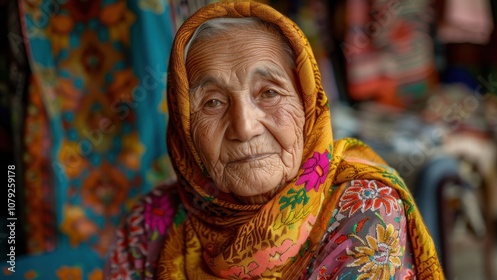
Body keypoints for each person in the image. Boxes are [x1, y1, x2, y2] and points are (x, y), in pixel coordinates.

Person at [105, 1, 443, 279]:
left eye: (269, 93)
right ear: (183, 126)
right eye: (212, 102)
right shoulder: (151, 221)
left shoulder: (364, 206)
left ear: (309, 103)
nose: (245, 127)